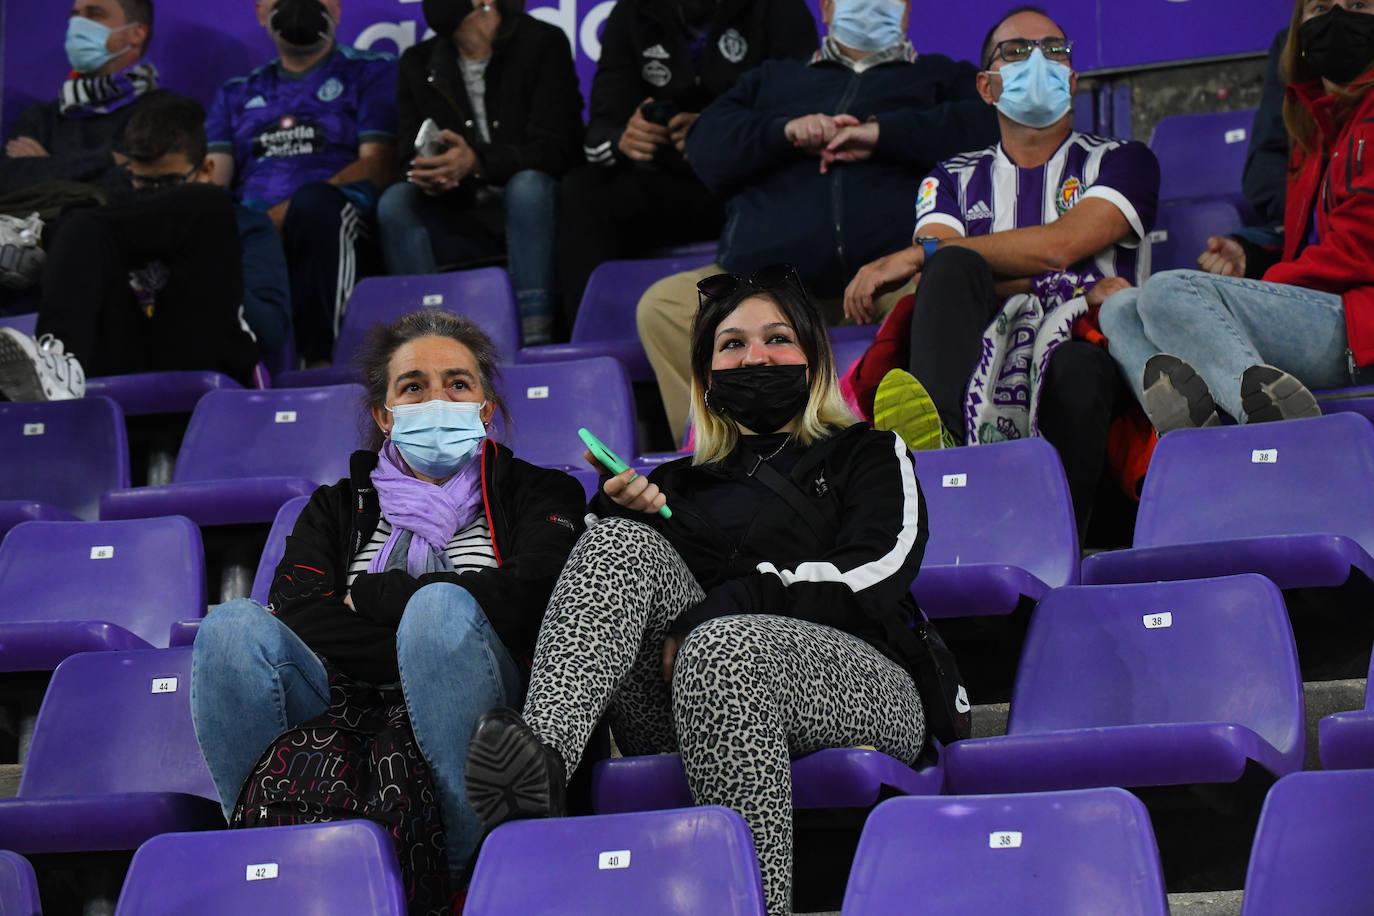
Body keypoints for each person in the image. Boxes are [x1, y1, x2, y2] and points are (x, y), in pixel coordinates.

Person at [463, 265, 928, 916]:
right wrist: (617, 514)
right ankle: (544, 764)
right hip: (690, 697)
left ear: (814, 358)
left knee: (722, 644)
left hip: (867, 684)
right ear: (707, 378)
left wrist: (731, 605)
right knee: (614, 545)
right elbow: (592, 607)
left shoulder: (868, 452)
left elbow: (874, 568)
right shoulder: (674, 484)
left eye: (777, 338)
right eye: (732, 344)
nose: (756, 356)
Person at [190, 310, 586, 878]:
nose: (436, 400)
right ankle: (265, 856)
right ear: (384, 415)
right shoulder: (335, 505)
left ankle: (466, 874)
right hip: (343, 710)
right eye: (413, 387)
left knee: (440, 613)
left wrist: (382, 598)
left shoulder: (543, 491)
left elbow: (535, 600)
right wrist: (420, 655)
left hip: (488, 705)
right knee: (230, 628)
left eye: (457, 383)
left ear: (485, 408)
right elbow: (300, 616)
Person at [840, 5, 1158, 537]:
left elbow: (1062, 244)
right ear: (987, 88)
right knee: (952, 269)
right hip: (979, 348)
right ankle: (943, 465)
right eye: (1015, 51)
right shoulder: (949, 178)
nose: (1038, 60)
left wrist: (923, 254)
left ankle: (1060, 544)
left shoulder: (1125, 160)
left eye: (1054, 50)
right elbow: (949, 281)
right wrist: (1074, 285)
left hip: (1089, 355)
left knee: (1075, 368)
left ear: (1072, 80)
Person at [637, 0, 999, 441]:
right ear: (826, 9)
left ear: (905, 12)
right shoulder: (772, 81)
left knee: (947, 290)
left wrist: (882, 134)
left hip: (895, 277)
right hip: (766, 283)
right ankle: (722, 454)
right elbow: (708, 145)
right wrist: (785, 132)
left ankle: (908, 451)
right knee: (665, 307)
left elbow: (989, 128)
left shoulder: (944, 77)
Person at [1098, 0, 1374, 433]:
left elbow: (1361, 249)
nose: (1338, 19)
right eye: (1320, 7)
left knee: (1169, 292)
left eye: (1358, 4)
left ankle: (1262, 420)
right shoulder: (1314, 124)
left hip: (1363, 325)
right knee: (1118, 309)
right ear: (1298, 34)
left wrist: (1257, 290)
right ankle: (1198, 426)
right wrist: (1252, 253)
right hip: (1325, 312)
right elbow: (1311, 239)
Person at [0, 93, 285, 400]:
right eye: (146, 184)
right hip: (124, 362)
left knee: (205, 204)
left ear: (205, 170)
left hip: (206, 358)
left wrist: (222, 274)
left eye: (169, 183)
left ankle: (44, 236)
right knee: (82, 223)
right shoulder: (109, 226)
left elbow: (272, 331)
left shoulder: (246, 224)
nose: (157, 196)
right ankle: (57, 364)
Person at [554, 0, 818, 329]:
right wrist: (626, 136)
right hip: (671, 183)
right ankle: (590, 341)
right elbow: (603, 122)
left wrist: (716, 132)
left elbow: (802, 112)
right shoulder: (632, 12)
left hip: (749, 184)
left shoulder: (780, 10)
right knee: (583, 189)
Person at [378, 0, 583, 346]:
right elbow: (403, 161)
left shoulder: (542, 42)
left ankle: (535, 336)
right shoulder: (418, 62)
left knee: (528, 186)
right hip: (460, 203)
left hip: (534, 202)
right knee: (396, 201)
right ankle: (425, 338)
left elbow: (561, 148)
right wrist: (429, 172)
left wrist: (477, 161)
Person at [206, 0, 397, 365]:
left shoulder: (371, 71)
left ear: (337, 10)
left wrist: (284, 213)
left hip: (336, 209)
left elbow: (379, 164)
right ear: (261, 12)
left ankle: (322, 360)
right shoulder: (237, 91)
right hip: (254, 220)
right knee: (212, 221)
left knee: (314, 206)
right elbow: (215, 178)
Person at [0, 0, 163, 290]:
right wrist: (106, 160)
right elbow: (11, 182)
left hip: (116, 269)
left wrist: (48, 164)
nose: (78, 25)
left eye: (95, 14)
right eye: (75, 15)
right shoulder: (40, 117)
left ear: (135, 33)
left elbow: (136, 190)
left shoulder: (165, 113)